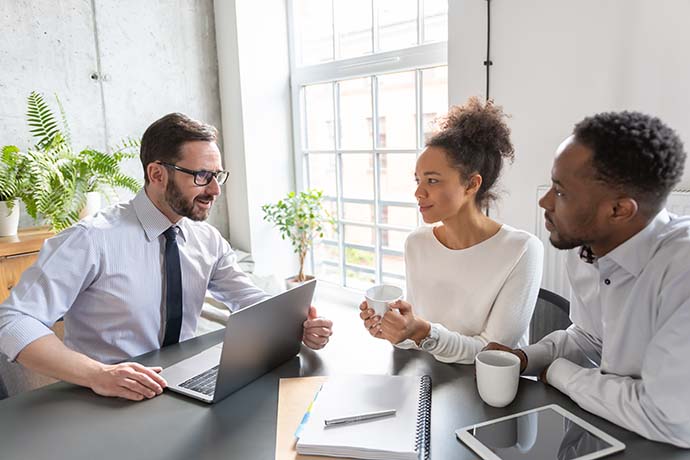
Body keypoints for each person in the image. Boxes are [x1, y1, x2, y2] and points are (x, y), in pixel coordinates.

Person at [0, 113, 333, 401]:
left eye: (217, 176)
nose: (215, 190)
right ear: (157, 174)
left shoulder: (207, 240)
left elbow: (248, 299)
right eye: (202, 176)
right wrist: (98, 374)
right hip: (104, 395)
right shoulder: (90, 240)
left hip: (183, 384)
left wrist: (296, 325)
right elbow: (13, 321)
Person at [485, 110, 690, 447]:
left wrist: (559, 373)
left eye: (561, 192)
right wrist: (526, 359)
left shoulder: (681, 270)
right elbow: (591, 338)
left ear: (619, 210)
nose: (544, 201)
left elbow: (668, 418)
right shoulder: (587, 250)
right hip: (608, 430)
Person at [359, 97, 543, 364]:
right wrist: (396, 330)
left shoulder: (521, 250)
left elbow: (493, 354)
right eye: (418, 180)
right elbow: (418, 341)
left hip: (489, 391)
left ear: (471, 185)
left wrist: (422, 331)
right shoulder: (417, 243)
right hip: (429, 382)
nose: (418, 192)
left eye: (432, 180)